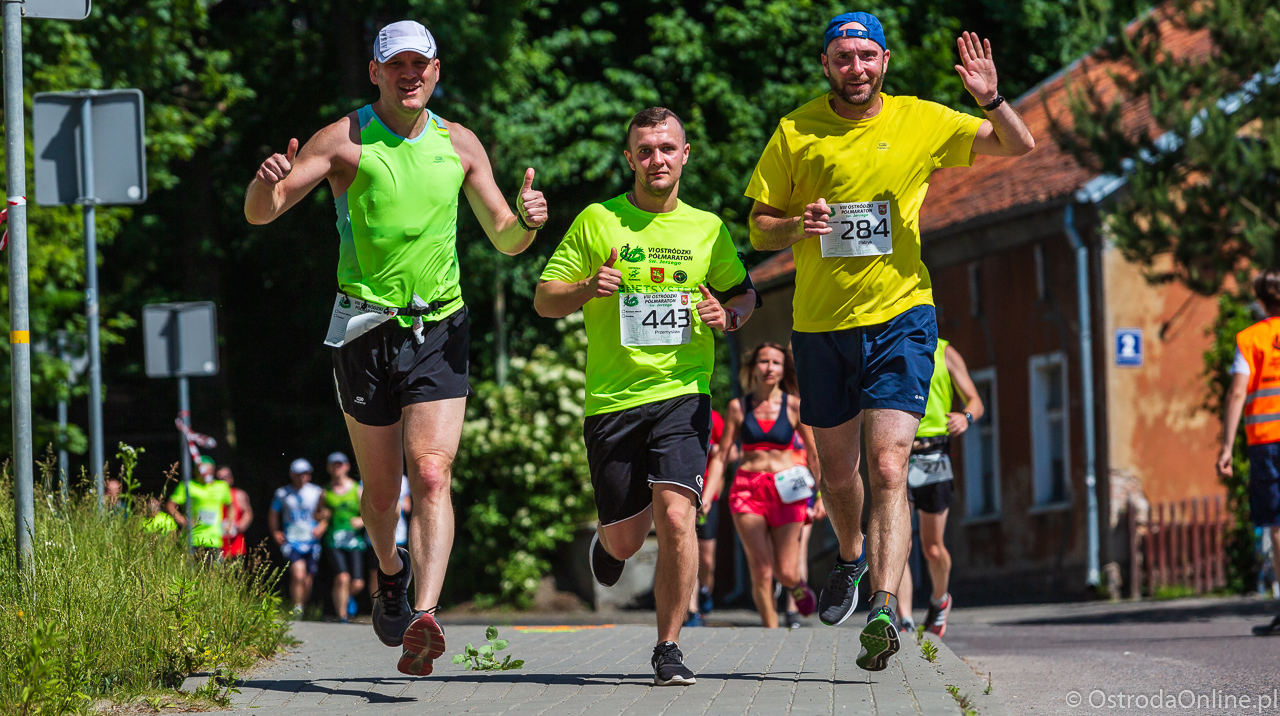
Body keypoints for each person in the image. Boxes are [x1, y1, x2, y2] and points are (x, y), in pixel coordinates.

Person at [243, 19, 546, 674]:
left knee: (431, 471)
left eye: (422, 64)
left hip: (439, 324)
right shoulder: (345, 141)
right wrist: (265, 181)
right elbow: (262, 213)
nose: (411, 75)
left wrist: (526, 221)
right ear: (375, 73)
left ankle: (427, 616)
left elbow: (504, 236)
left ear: (437, 71)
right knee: (381, 494)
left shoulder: (459, 144)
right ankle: (390, 574)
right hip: (363, 328)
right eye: (397, 65)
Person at [745, 12, 1033, 670]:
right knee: (837, 473)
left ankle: (883, 607)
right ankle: (849, 557)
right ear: (826, 65)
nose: (856, 68)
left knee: (887, 467)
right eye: (843, 57)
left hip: (902, 316)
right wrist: (797, 224)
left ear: (887, 60)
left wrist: (991, 97)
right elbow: (759, 227)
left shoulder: (922, 119)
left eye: (867, 56)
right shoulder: (796, 130)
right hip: (821, 326)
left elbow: (1019, 147)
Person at [535, 107, 758, 685]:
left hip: (684, 393)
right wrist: (587, 287)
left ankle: (669, 647)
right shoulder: (598, 220)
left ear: (685, 154)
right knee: (628, 537)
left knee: (679, 517)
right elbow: (544, 298)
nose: (656, 159)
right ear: (629, 159)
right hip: (613, 400)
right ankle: (610, 548)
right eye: (645, 150)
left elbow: (743, 294)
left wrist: (727, 317)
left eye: (667, 148)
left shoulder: (706, 228)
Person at [708, 343, 821, 629]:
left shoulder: (795, 406)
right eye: (763, 361)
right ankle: (770, 634)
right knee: (761, 569)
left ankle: (795, 586)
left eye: (776, 362)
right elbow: (721, 457)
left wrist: (823, 496)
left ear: (784, 370)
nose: (769, 367)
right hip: (747, 489)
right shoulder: (738, 407)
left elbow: (814, 455)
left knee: (785, 570)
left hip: (787, 491)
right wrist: (708, 496)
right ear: (753, 367)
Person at [895, 337, 983, 637]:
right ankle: (904, 618)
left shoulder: (944, 349)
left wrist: (966, 416)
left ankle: (939, 600)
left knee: (932, 548)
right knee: (899, 545)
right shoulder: (888, 340)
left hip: (934, 455)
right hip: (898, 453)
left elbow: (975, 400)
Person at [1216, 269, 1280, 637]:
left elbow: (1237, 393)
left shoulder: (1251, 339)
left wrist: (1227, 448)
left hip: (1268, 444)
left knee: (1277, 523)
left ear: (1260, 300)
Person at [686, 409, 731, 627]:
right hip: (683, 494)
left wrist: (711, 448)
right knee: (686, 549)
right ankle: (691, 610)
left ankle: (705, 590)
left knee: (706, 558)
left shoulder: (714, 416)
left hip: (707, 496)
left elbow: (729, 453)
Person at [269, 459, 327, 615]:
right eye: (299, 473)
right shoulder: (282, 493)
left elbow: (324, 514)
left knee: (308, 578)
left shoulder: (317, 492)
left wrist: (321, 527)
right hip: (292, 540)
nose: (302, 477)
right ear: (292, 474)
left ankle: (303, 605)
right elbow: (273, 513)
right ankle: (297, 607)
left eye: (305, 473)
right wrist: (275, 531)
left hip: (311, 540)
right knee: (297, 573)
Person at [784, 427, 827, 629]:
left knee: (798, 551)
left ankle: (792, 610)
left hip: (799, 488)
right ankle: (768, 606)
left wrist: (820, 496)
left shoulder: (804, 418)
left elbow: (816, 457)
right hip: (769, 484)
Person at [319, 452, 367, 623]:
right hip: (334, 540)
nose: (337, 467)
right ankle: (342, 616)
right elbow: (317, 514)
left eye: (340, 464)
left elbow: (369, 514)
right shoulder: (325, 492)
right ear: (328, 468)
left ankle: (344, 597)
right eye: (333, 464)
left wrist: (361, 521)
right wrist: (322, 515)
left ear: (346, 467)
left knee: (357, 583)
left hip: (354, 541)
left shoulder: (357, 490)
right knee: (342, 578)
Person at [166, 456, 233, 559]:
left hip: (213, 539)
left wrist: (229, 521)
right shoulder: (188, 486)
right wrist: (183, 521)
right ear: (196, 471)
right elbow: (170, 505)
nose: (205, 474)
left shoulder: (222, 487)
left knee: (213, 573)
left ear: (213, 471)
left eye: (208, 470)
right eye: (202, 470)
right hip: (192, 538)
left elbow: (230, 505)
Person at [219, 466, 254, 560]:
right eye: (221, 479)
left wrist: (241, 525)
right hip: (217, 540)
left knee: (237, 571)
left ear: (231, 478)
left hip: (235, 540)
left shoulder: (239, 494)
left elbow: (248, 512)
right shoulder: (213, 495)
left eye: (227, 477)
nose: (225, 481)